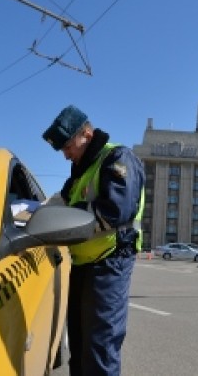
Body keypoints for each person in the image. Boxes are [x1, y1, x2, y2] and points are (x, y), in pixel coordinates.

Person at [42, 105, 145, 376]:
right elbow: (54, 207)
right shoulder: (78, 174)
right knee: (79, 345)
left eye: (67, 146)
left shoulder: (118, 158)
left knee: (100, 348)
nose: (66, 155)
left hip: (109, 263)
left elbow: (114, 211)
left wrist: (65, 222)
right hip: (81, 265)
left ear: (86, 134)